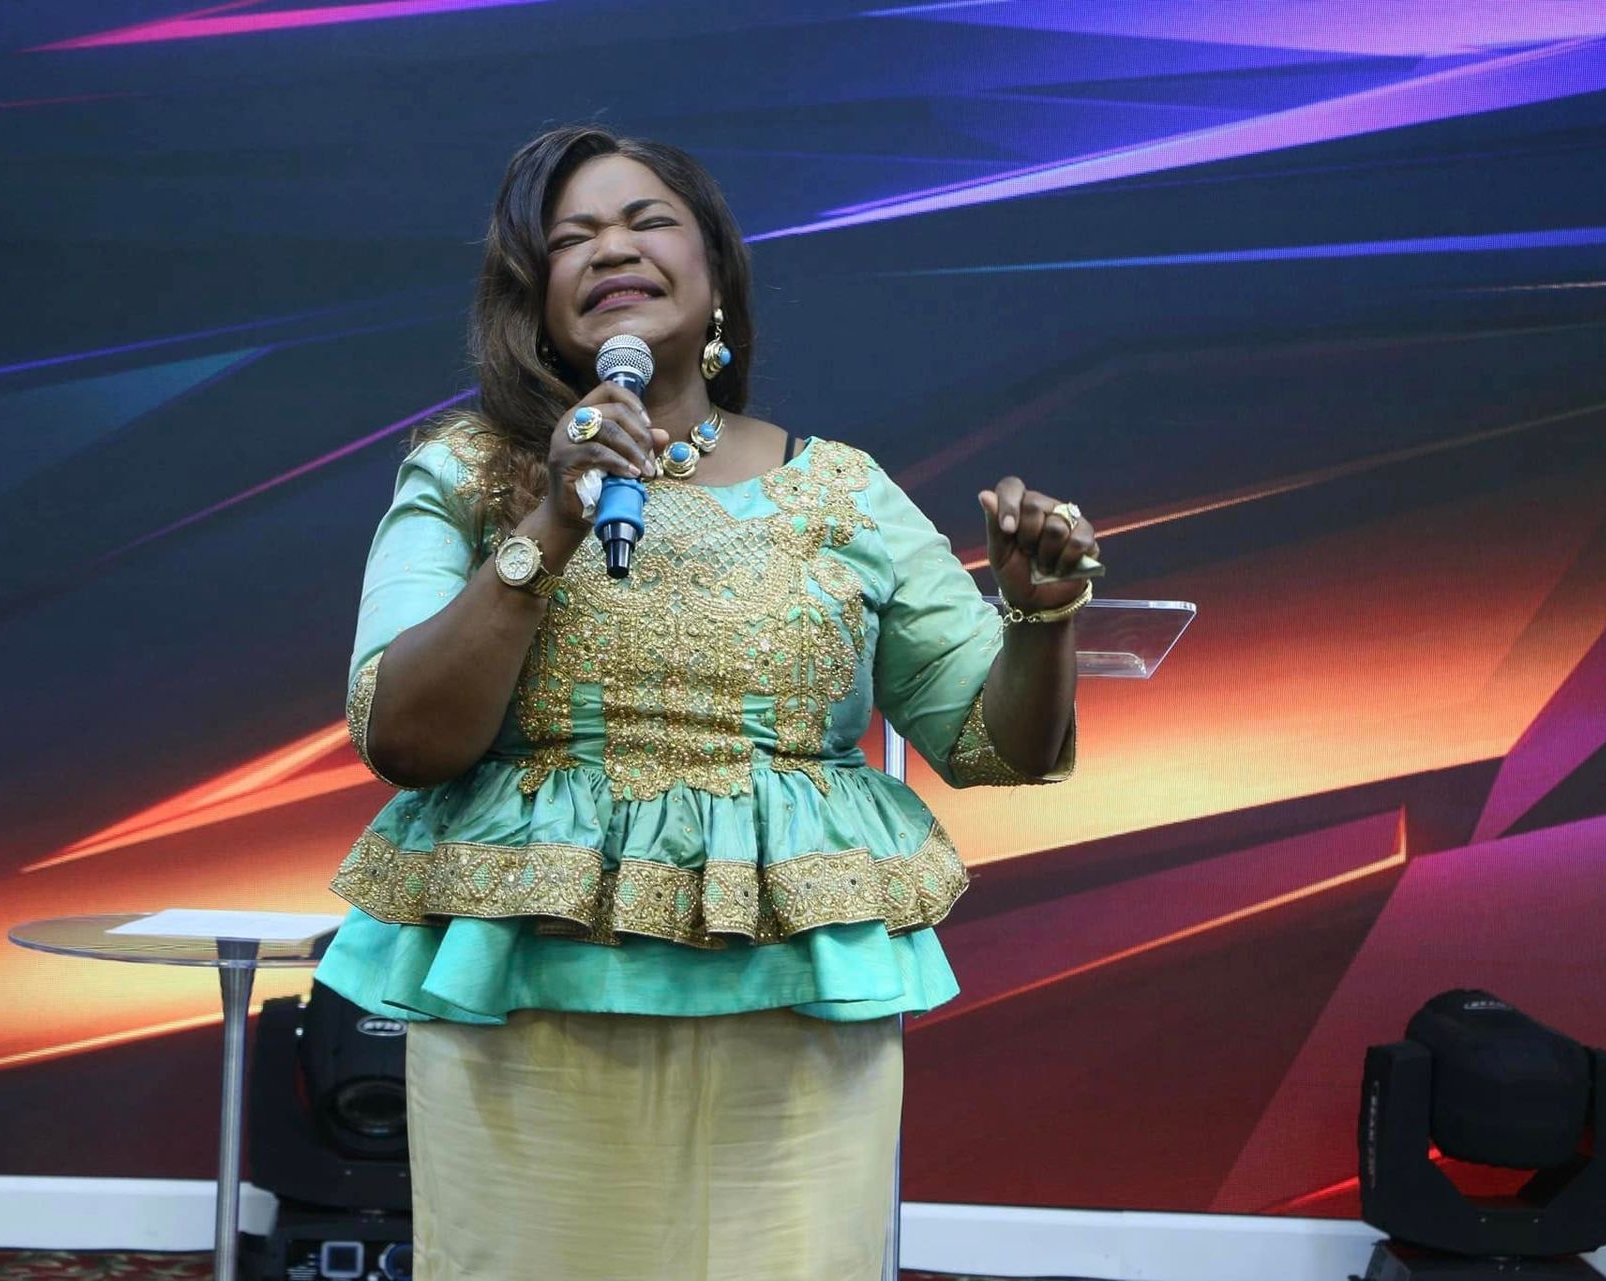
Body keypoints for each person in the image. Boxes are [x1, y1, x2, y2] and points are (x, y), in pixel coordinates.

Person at [314, 125, 1096, 1281]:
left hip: (791, 1006)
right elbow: (405, 733)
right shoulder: (471, 473)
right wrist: (554, 519)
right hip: (534, 992)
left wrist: (1041, 620)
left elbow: (993, 746)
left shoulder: (843, 489)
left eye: (645, 222)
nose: (610, 250)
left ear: (718, 272)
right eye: (571, 238)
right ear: (534, 301)